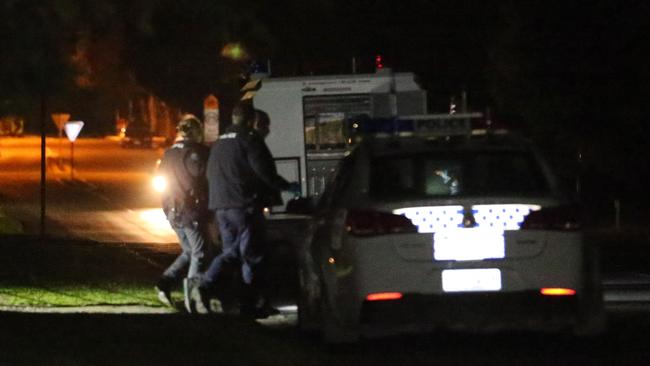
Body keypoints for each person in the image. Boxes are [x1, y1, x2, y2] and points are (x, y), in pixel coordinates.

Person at [195, 102, 298, 318]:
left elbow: (208, 174)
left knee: (233, 253)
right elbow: (264, 171)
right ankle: (227, 293)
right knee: (252, 255)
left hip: (221, 206)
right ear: (252, 121)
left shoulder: (219, 143)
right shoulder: (250, 139)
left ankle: (243, 300)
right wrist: (287, 186)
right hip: (243, 205)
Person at [155, 114, 211, 312]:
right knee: (200, 252)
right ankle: (193, 295)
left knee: (189, 251)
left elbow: (160, 180)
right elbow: (204, 178)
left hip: (172, 211)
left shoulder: (169, 153)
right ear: (196, 131)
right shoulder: (196, 153)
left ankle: (164, 283)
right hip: (190, 210)